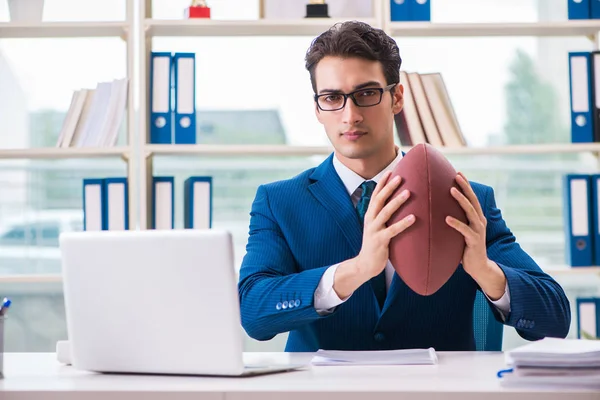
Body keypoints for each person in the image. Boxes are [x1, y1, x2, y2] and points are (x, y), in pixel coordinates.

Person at [237, 21, 571, 352]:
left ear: (397, 98)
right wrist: (354, 271)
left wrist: (485, 271)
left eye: (366, 93)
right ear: (317, 108)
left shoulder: (466, 199)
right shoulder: (280, 202)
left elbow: (555, 317)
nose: (350, 114)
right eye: (332, 97)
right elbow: (253, 312)